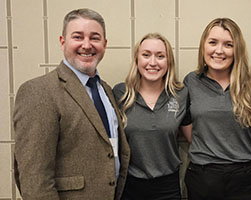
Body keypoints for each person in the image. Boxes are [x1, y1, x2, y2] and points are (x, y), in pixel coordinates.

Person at [13, 8, 130, 200]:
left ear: (104, 44)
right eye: (78, 37)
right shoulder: (39, 91)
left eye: (95, 38)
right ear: (62, 42)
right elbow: (35, 179)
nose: (87, 45)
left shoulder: (106, 90)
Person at [183, 18, 251, 200]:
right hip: (203, 176)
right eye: (213, 42)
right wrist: (210, 145)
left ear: (237, 50)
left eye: (228, 44)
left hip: (247, 177)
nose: (219, 51)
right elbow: (186, 123)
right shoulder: (192, 81)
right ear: (203, 46)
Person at [113, 33, 191, 200]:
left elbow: (194, 139)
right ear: (137, 59)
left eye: (160, 56)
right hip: (130, 185)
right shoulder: (120, 94)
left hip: (167, 186)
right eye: (146, 55)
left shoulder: (181, 94)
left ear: (168, 61)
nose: (153, 62)